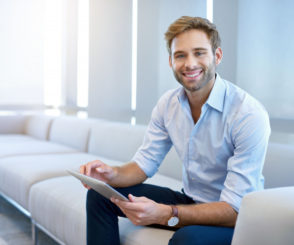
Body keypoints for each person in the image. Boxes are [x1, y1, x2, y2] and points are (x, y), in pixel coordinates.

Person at [80, 16, 270, 245]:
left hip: (238, 217)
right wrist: (112, 174)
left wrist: (167, 212)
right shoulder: (168, 105)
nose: (190, 64)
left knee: (187, 238)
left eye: (199, 53)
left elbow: (234, 207)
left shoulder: (247, 114)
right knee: (100, 197)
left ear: (217, 56)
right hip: (192, 200)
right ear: (171, 61)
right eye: (180, 55)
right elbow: (144, 164)